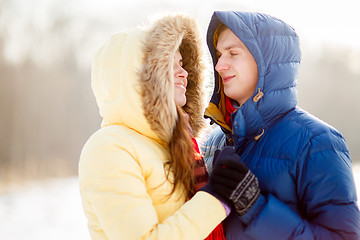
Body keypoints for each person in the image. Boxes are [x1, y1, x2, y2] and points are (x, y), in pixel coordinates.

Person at [201, 11, 360, 239]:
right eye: (218, 55)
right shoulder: (212, 142)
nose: (219, 65)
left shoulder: (317, 142)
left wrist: (255, 207)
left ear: (265, 61)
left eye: (232, 53)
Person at [78, 14, 238, 240]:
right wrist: (216, 198)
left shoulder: (180, 145)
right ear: (140, 78)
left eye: (182, 64)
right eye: (168, 65)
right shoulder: (108, 148)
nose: (183, 73)